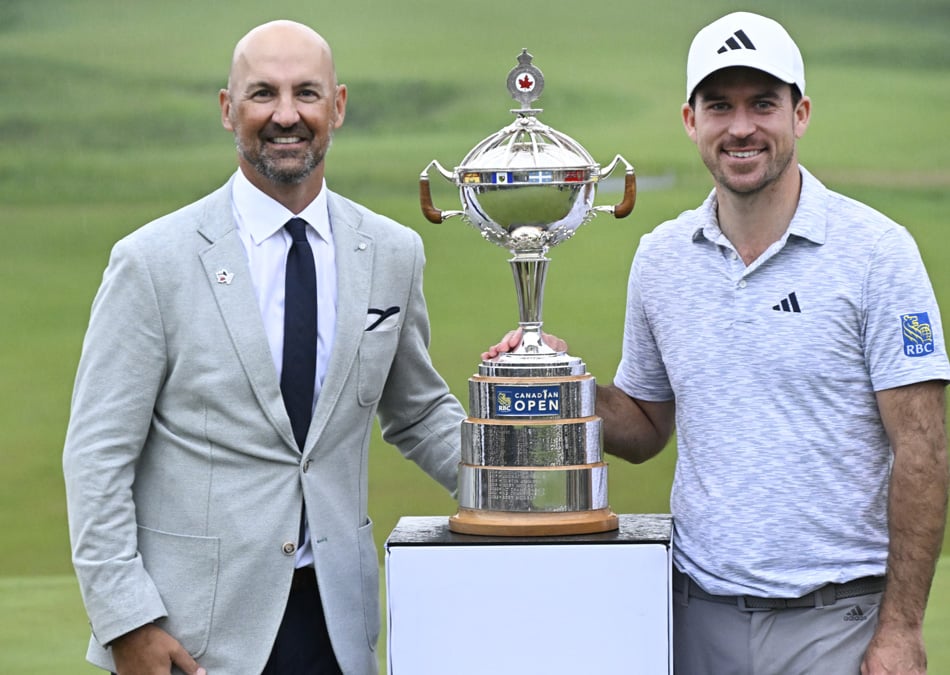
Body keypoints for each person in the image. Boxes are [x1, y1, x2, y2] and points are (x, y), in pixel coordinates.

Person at [486, 11, 949, 674]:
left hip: (838, 623)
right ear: (689, 119)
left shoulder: (876, 253)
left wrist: (901, 628)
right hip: (693, 616)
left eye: (763, 103)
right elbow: (646, 426)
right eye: (719, 105)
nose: (740, 127)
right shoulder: (662, 257)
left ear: (801, 113)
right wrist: (558, 379)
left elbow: (923, 447)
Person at [63, 20, 465, 675]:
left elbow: (418, 413)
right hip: (189, 639)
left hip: (337, 628)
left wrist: (519, 482)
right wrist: (126, 621)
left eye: (306, 93)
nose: (285, 115)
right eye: (262, 94)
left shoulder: (392, 253)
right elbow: (96, 456)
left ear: (337, 105)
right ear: (228, 109)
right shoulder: (151, 262)